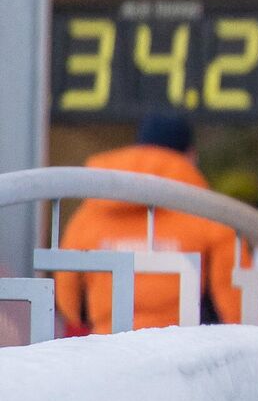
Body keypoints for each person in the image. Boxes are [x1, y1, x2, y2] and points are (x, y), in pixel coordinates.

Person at [54, 114, 245, 334]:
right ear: (191, 155)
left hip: (108, 348)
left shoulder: (89, 213)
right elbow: (235, 304)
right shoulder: (211, 214)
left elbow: (67, 296)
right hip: (181, 352)